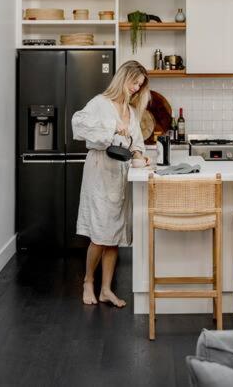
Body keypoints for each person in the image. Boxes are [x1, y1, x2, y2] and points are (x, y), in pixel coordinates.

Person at [72, 60, 151, 307]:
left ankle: (106, 289)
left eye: (140, 85)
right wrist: (113, 125)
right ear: (123, 78)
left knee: (113, 235)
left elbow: (136, 142)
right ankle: (88, 281)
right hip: (100, 172)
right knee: (99, 234)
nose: (136, 88)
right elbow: (78, 124)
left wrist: (139, 154)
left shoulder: (132, 111)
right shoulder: (100, 103)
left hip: (120, 175)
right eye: (134, 82)